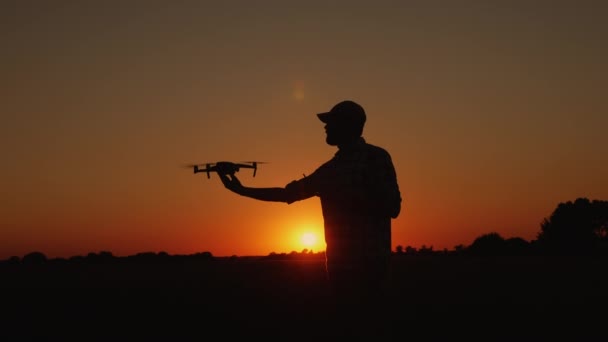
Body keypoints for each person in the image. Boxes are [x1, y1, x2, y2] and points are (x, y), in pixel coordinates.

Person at [218, 100, 402, 339]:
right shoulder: (330, 170)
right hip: (339, 270)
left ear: (348, 126)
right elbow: (288, 194)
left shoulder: (375, 158)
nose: (325, 128)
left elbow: (392, 207)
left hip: (370, 269)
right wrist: (241, 190)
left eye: (331, 123)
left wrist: (347, 195)